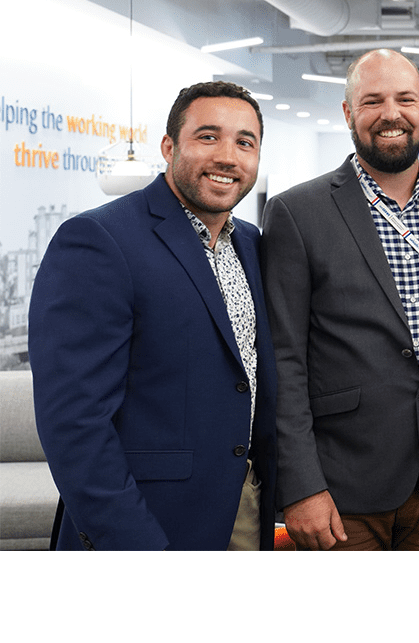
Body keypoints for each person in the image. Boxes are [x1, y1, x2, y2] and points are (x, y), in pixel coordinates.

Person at [28, 81, 277, 550]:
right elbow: (74, 424)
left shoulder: (251, 243)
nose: (228, 156)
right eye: (208, 137)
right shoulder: (99, 240)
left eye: (245, 142)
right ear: (168, 146)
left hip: (243, 510)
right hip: (143, 525)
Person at [261, 49, 419, 551]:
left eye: (405, 99)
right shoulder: (297, 213)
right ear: (348, 114)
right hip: (341, 487)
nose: (392, 113)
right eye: (372, 101)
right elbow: (282, 360)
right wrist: (300, 485)